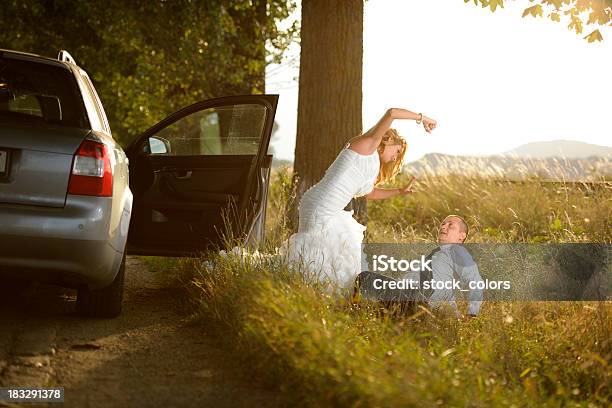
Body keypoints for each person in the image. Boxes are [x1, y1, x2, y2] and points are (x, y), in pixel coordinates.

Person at [284, 108, 437, 288]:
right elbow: (392, 113)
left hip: (324, 205)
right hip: (321, 205)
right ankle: (311, 287)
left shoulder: (369, 160)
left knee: (332, 249)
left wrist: (399, 191)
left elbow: (370, 194)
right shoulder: (367, 144)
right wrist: (422, 118)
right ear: (387, 141)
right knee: (320, 250)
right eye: (397, 151)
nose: (395, 157)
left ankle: (314, 287)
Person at [354, 215, 484, 317]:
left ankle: (355, 310)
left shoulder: (457, 251)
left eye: (451, 225)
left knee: (365, 278)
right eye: (443, 224)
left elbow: (475, 281)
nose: (444, 227)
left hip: (419, 297)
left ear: (461, 237)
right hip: (412, 295)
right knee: (375, 301)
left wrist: (472, 313)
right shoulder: (438, 255)